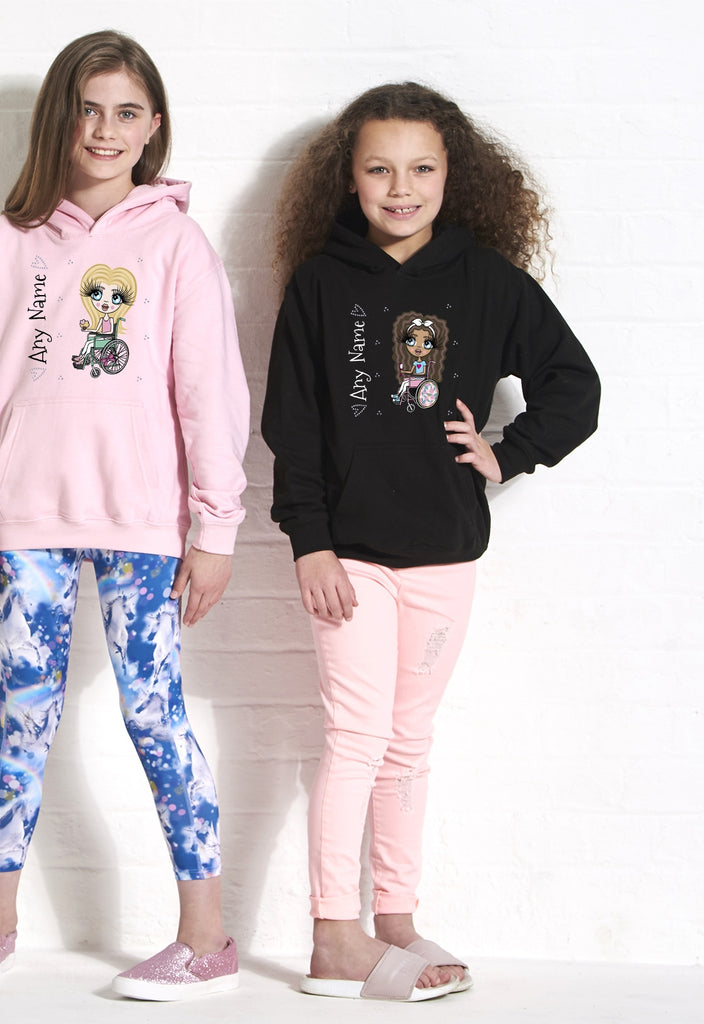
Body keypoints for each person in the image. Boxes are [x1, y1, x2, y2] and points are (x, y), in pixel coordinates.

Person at [262, 82, 600, 1003]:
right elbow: (293, 426)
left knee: (409, 739)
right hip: (348, 556)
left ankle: (395, 920)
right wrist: (309, 542)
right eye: (379, 169)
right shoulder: (321, 283)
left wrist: (508, 453)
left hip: (446, 552)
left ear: (454, 176)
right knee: (358, 734)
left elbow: (575, 386)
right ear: (350, 177)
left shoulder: (488, 281)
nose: (401, 188)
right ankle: (333, 936)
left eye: (421, 169)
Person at [0, 30, 248, 1001]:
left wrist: (215, 529)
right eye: (88, 108)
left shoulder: (175, 245)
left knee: (154, 713)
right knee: (21, 716)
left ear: (153, 125)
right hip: (25, 519)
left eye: (126, 111)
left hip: (142, 524)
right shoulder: (7, 241)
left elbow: (210, 392)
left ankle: (206, 936)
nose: (105, 129)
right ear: (60, 119)